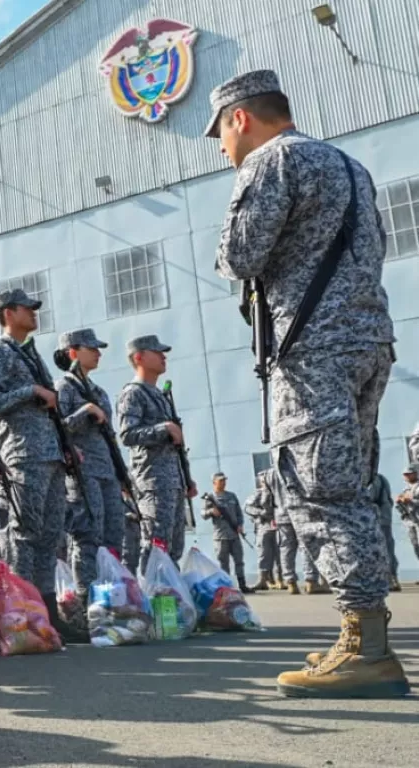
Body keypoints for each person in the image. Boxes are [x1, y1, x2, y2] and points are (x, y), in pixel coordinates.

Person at [210, 70, 408, 697]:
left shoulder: (271, 162)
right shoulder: (349, 166)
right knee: (351, 483)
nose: (220, 146)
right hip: (366, 343)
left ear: (241, 118)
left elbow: (239, 257)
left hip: (312, 350)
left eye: (219, 131)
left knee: (320, 492)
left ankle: (366, 645)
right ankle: (364, 634)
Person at [0, 289, 71, 632]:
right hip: (22, 454)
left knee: (48, 537)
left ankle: (45, 616)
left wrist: (66, 445)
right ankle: (19, 617)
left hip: (49, 455)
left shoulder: (30, 354)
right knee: (22, 536)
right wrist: (30, 391)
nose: (34, 313)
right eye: (28, 309)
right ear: (9, 313)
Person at [52, 329, 126, 597]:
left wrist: (122, 475)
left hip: (107, 471)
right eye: (91, 348)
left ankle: (114, 600)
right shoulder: (63, 388)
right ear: (73, 352)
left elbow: (111, 438)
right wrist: (85, 411)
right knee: (87, 536)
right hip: (83, 474)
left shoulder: (98, 391)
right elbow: (57, 429)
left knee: (113, 536)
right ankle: (87, 600)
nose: (98, 352)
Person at [115, 336, 196, 573]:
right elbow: (127, 434)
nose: (164, 356)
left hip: (173, 481)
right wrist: (164, 428)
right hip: (153, 481)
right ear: (139, 357)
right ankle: (154, 600)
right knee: (155, 545)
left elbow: (177, 446)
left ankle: (170, 599)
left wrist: (186, 478)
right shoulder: (133, 393)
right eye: (157, 352)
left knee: (173, 547)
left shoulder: (159, 394)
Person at [203, 473, 252, 593]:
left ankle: (243, 584)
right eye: (221, 481)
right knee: (223, 563)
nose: (223, 483)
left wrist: (240, 525)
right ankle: (227, 586)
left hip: (234, 534)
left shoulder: (232, 496)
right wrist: (211, 511)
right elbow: (203, 514)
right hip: (220, 537)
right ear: (214, 482)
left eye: (224, 480)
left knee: (239, 561)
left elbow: (239, 513)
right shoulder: (210, 497)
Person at [245, 469, 283, 591]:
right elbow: (247, 508)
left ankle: (281, 579)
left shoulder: (278, 493)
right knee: (264, 554)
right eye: (262, 480)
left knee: (280, 553)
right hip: (264, 526)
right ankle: (263, 579)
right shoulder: (258, 494)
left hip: (278, 526)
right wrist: (261, 513)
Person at [366, 470, 400, 592]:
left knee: (383, 549)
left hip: (377, 519)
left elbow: (368, 498)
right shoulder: (380, 478)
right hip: (381, 518)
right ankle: (390, 577)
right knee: (386, 548)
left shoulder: (372, 480)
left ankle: (389, 578)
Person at [397, 466, 419, 586]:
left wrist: (410, 501)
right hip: (410, 521)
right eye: (405, 474)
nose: (407, 476)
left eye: (409, 474)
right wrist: (400, 502)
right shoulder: (406, 489)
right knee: (416, 547)